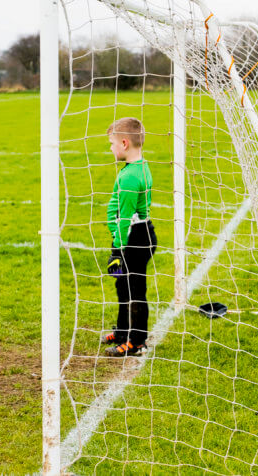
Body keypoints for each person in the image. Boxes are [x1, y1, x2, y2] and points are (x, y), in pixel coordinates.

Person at [102, 117, 157, 357]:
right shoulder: (139, 166)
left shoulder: (129, 177)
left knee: (135, 289)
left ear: (124, 143)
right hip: (136, 237)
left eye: (112, 143)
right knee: (121, 283)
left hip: (133, 240)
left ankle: (136, 341)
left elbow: (125, 219)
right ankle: (123, 330)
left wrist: (116, 251)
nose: (111, 148)